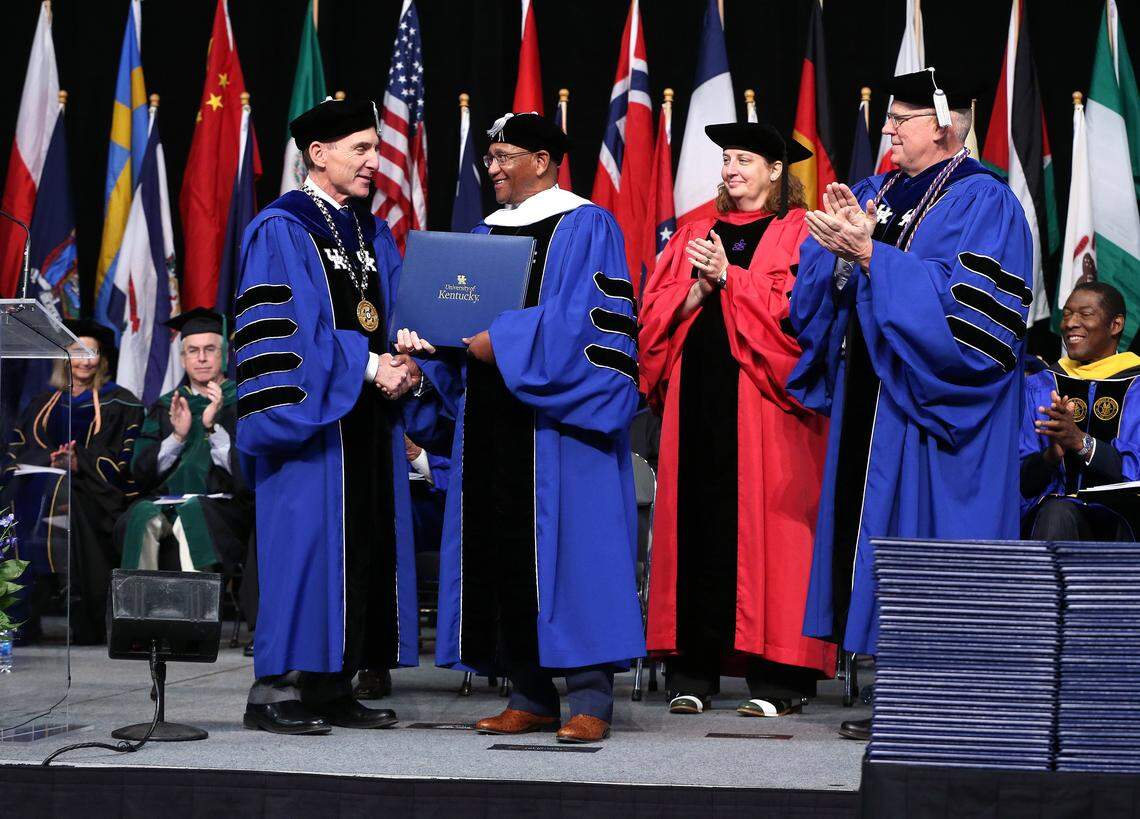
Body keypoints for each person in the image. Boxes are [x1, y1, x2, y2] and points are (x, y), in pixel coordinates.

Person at [786, 69, 1033, 740]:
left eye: (902, 119)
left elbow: (978, 323)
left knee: (931, 537)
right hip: (875, 398)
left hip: (938, 409)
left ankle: (947, 695)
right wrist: (838, 251)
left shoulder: (987, 202)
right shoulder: (875, 192)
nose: (887, 130)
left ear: (945, 126)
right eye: (889, 118)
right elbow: (814, 302)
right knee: (875, 534)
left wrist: (873, 256)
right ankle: (895, 689)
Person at [399, 112, 643, 744]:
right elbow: (464, 324)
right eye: (490, 158)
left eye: (505, 156)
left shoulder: (586, 224)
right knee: (504, 553)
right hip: (491, 422)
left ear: (543, 159)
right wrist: (433, 351)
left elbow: (585, 323)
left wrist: (498, 342)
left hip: (560, 426)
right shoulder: (485, 235)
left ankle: (591, 699)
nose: (494, 169)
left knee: (575, 558)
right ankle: (530, 692)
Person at [235, 97, 422, 736]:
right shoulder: (282, 228)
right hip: (311, 424)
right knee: (306, 550)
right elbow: (290, 335)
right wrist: (371, 366)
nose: (375, 161)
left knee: (365, 543)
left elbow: (397, 312)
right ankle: (276, 691)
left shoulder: (369, 231)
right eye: (361, 150)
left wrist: (410, 358)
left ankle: (334, 683)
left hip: (366, 422)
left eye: (375, 148)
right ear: (319, 154)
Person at [639, 122, 836, 717]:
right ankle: (692, 671)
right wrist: (695, 294)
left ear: (777, 170)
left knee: (772, 536)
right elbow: (651, 315)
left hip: (769, 409)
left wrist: (730, 279)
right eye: (726, 158)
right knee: (693, 526)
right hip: (696, 402)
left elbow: (805, 318)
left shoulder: (801, 232)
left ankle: (779, 676)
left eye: (744, 159)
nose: (730, 168)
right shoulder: (694, 232)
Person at [2, 321, 143, 644]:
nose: (85, 359)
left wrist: (81, 463)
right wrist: (49, 460)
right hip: (39, 492)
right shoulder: (42, 402)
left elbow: (126, 459)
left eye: (92, 351)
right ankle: (21, 616)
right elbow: (18, 449)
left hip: (93, 495)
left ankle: (84, 618)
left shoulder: (121, 402)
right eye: (77, 350)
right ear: (63, 355)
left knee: (69, 502)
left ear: (103, 359)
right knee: (18, 508)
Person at [118, 309, 252, 576]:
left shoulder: (244, 402)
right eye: (193, 350)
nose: (201, 358)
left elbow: (248, 474)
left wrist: (212, 427)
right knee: (140, 515)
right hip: (165, 502)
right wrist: (177, 436)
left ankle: (196, 612)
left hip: (224, 507)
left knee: (192, 515)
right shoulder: (167, 405)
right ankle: (138, 611)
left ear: (225, 355)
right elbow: (141, 473)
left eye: (210, 349)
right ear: (182, 358)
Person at [1021, 282, 1140, 540]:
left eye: (1085, 314)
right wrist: (1052, 455)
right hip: (1052, 517)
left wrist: (1080, 442)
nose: (1070, 323)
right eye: (1066, 314)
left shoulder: (1137, 387)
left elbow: (1135, 473)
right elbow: (1020, 481)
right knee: (1057, 512)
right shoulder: (1040, 385)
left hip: (1124, 523)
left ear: (1115, 325)